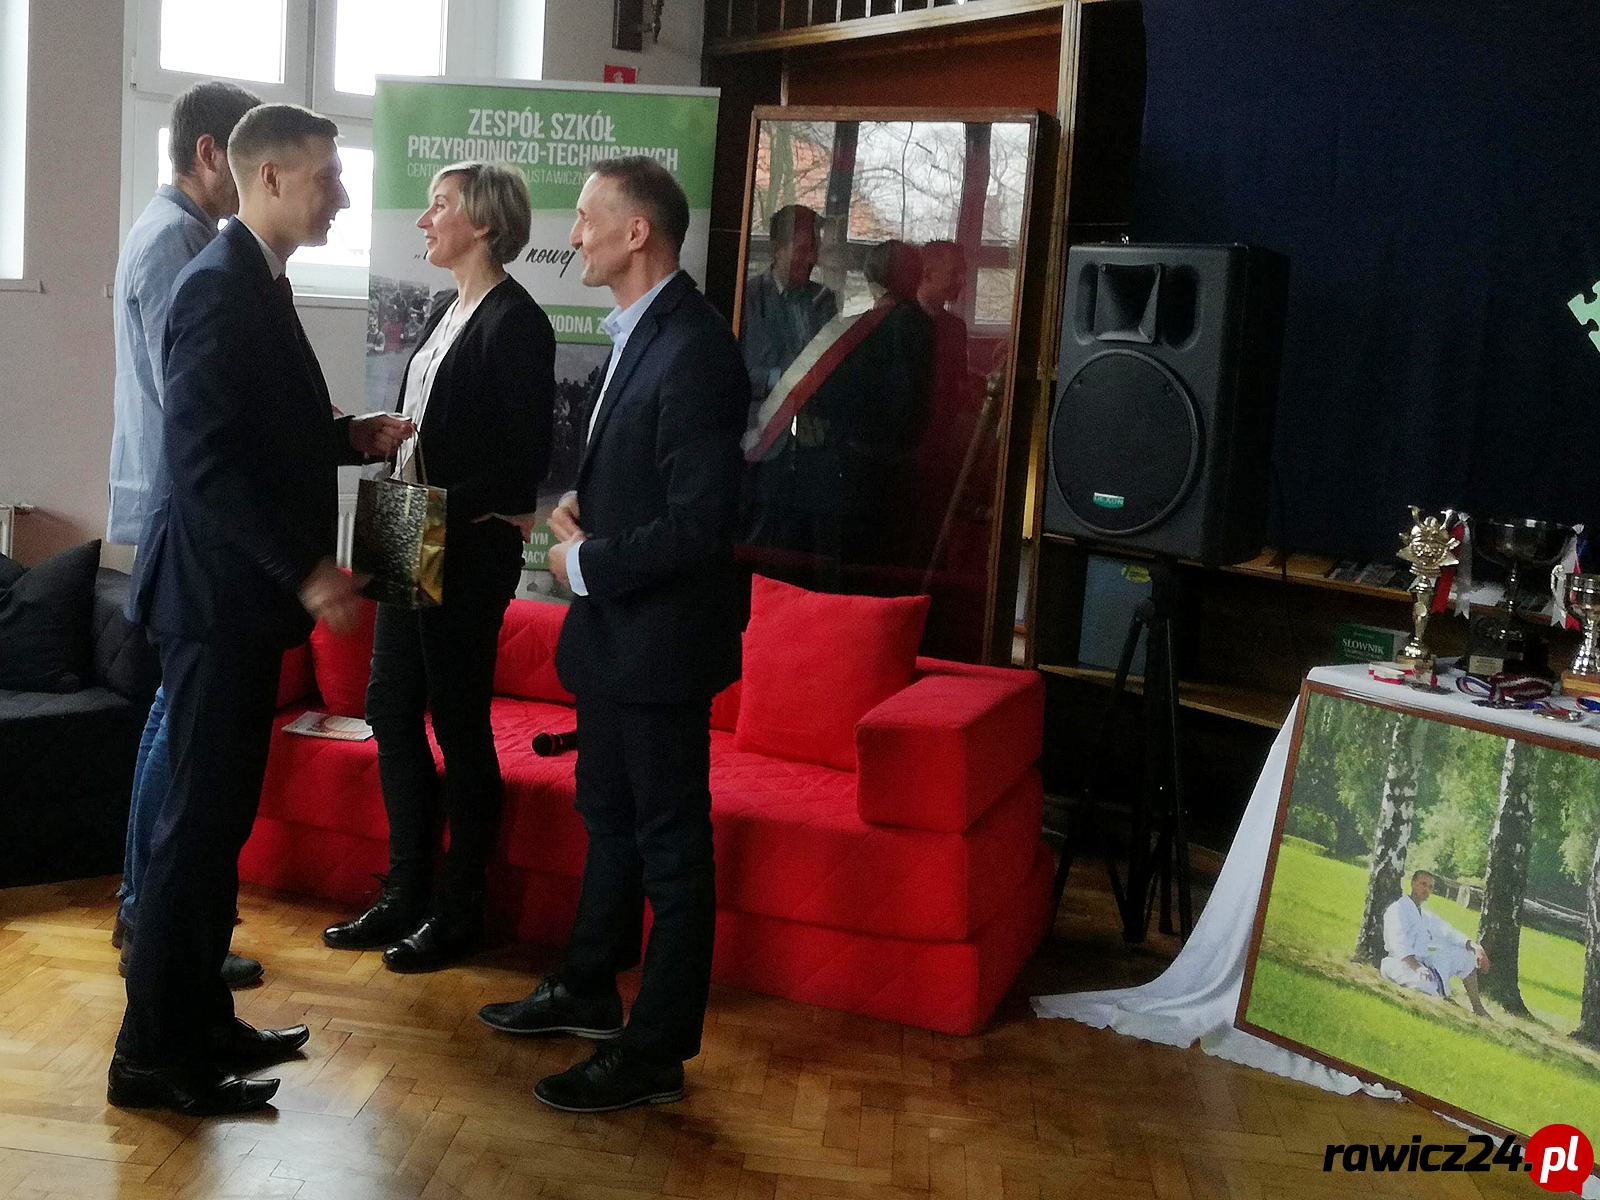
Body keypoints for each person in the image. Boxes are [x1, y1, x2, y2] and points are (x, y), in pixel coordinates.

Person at [110, 103, 413, 1116]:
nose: (344, 195)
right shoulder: (215, 286)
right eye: (329, 175)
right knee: (192, 836)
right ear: (270, 177)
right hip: (212, 604)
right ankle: (150, 1056)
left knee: (216, 828)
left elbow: (259, 428)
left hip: (233, 605)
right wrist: (307, 571)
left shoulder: (255, 279)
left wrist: (347, 434)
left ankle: (202, 1023)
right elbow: (202, 465)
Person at [475, 156, 746, 1114]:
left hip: (659, 648)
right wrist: (582, 513)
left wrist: (582, 561)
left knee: (671, 851)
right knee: (610, 823)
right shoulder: (639, 333)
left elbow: (701, 523)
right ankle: (589, 986)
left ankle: (656, 1051)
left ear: (639, 233)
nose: (573, 233)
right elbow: (643, 482)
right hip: (614, 643)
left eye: (588, 216)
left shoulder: (697, 347)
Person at [321, 162, 556, 973]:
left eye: (440, 205)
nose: (424, 220)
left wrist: (433, 497)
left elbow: (523, 465)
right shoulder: (439, 308)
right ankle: (405, 889)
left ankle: (459, 908)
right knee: (390, 708)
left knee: (457, 721)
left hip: (458, 538)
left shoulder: (518, 323)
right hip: (403, 520)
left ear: (483, 222)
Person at [106, 80, 265, 991]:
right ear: (211, 154)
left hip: (175, 507)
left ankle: (149, 907)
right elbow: (199, 399)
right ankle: (150, 912)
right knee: (179, 723)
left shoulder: (171, 229)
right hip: (187, 515)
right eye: (245, 157)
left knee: (171, 715)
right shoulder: (177, 240)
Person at [1380, 870, 1492, 1016]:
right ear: (1413, 884)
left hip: (1426, 960)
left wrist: (1476, 947)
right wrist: (1417, 967)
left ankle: (1478, 1008)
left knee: (1465, 955)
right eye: (1423, 884)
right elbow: (1398, 942)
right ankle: (1442, 995)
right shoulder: (1398, 909)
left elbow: (1448, 932)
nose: (1426, 889)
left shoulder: (1427, 916)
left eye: (1430, 887)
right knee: (1423, 984)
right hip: (1401, 963)